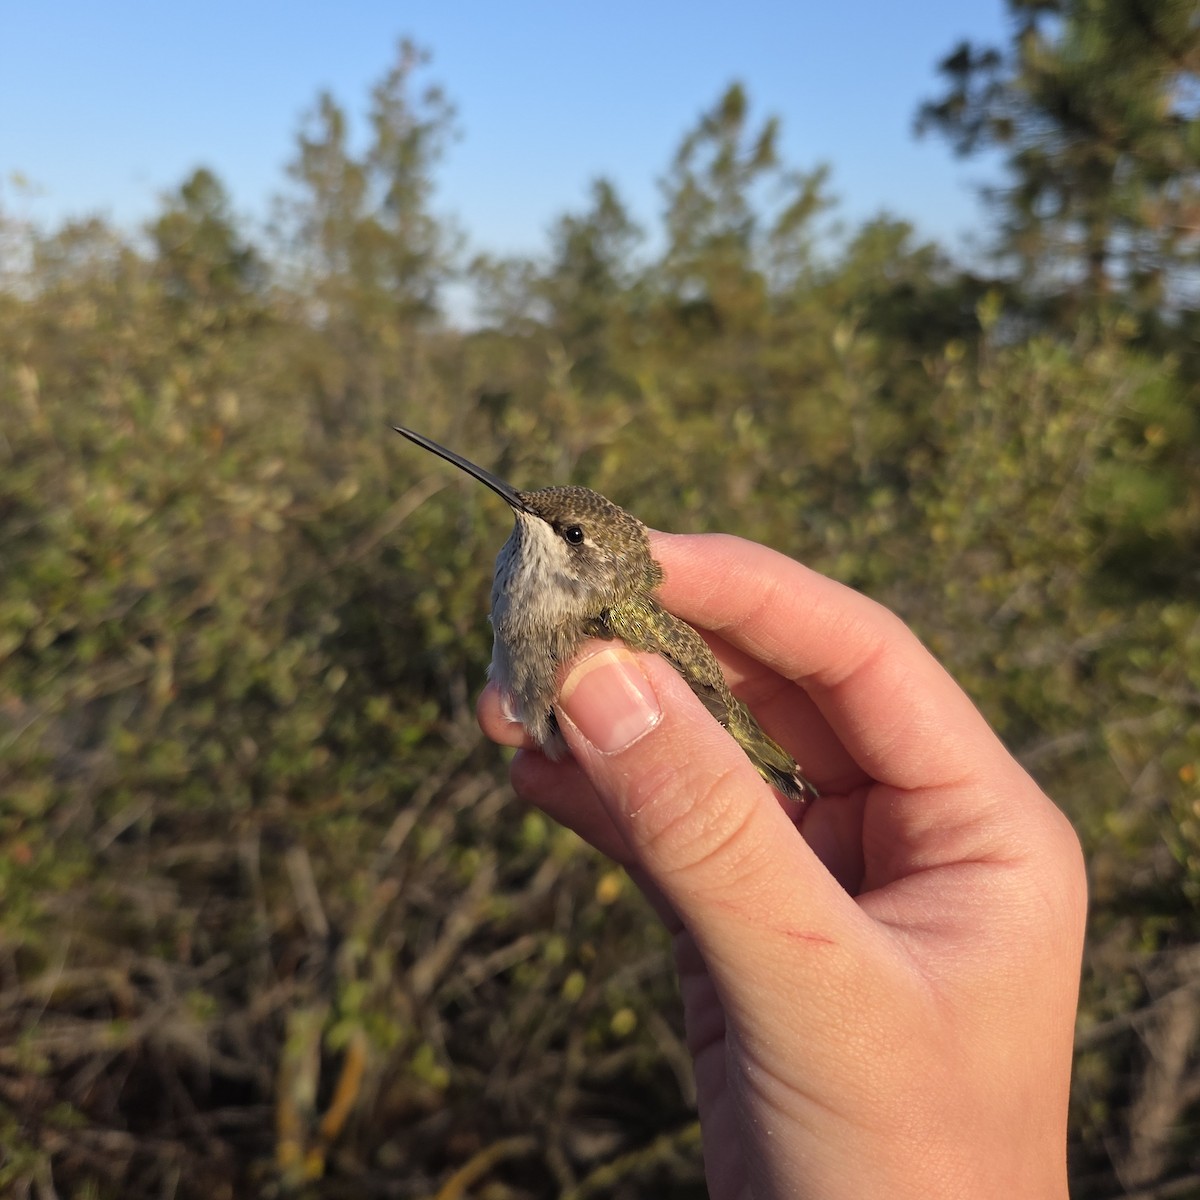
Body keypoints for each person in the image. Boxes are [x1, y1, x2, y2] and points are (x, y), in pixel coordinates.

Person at [477, 531, 1087, 1200]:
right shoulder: (539, 601)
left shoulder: (612, 614)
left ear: (589, 558)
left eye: (567, 534)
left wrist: (666, 759)